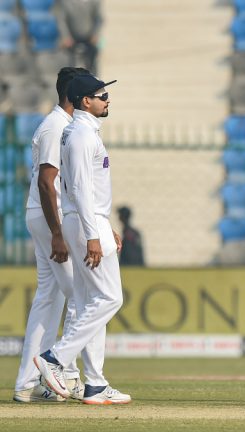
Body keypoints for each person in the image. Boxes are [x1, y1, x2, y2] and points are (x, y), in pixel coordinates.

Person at [33, 73, 132, 405]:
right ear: (84, 101)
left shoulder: (84, 132)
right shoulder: (79, 135)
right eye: (100, 94)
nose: (107, 99)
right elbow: (78, 189)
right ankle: (55, 358)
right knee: (110, 299)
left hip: (90, 220)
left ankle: (95, 383)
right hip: (86, 222)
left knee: (93, 302)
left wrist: (101, 225)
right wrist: (93, 233)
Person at [14, 67, 97, 403]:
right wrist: (57, 234)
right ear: (73, 95)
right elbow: (47, 183)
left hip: (50, 217)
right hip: (52, 218)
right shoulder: (57, 126)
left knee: (49, 299)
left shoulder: (63, 124)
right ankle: (69, 375)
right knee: (80, 296)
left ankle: (27, 382)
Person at [57, 0, 102, 73]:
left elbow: (98, 19)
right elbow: (61, 20)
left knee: (92, 62)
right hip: (72, 37)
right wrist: (65, 36)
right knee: (70, 64)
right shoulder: (65, 2)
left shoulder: (94, 2)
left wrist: (95, 34)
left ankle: (93, 80)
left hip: (89, 37)